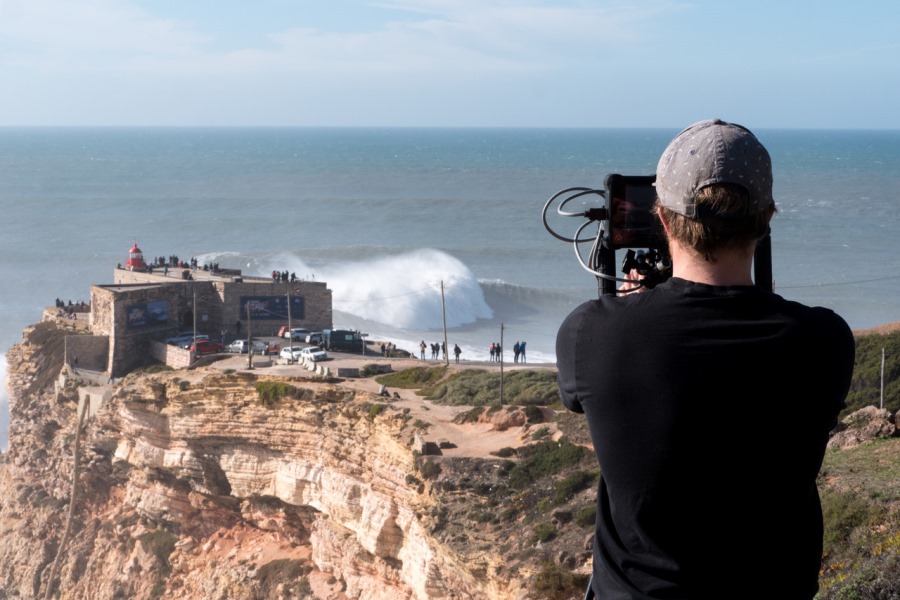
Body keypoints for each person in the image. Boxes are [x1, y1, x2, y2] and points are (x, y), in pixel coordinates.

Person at [556, 119, 855, 600]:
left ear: (665, 218)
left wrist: (634, 305)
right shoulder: (825, 340)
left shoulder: (590, 332)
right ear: (767, 217)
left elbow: (579, 397)